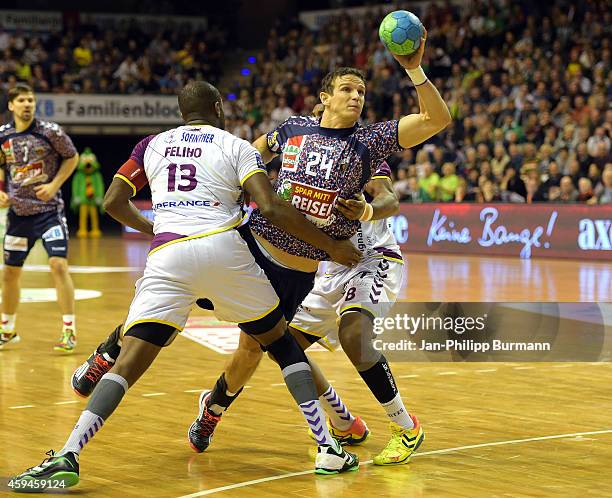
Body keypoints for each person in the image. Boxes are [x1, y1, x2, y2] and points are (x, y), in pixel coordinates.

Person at [72, 29, 451, 466]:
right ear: (322, 98)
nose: (357, 96)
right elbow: (243, 159)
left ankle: (216, 409)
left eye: (362, 90)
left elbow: (425, 137)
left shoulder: (370, 144)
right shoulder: (290, 130)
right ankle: (106, 354)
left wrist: (413, 70)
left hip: (305, 267)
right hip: (251, 242)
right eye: (347, 89)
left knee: (260, 348)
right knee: (179, 286)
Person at [11, 81, 364, 488]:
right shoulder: (236, 146)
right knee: (281, 343)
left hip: (169, 253)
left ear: (182, 113)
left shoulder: (152, 144)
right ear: (217, 106)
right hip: (224, 252)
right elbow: (270, 207)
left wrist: (154, 228)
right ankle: (327, 449)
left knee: (130, 362)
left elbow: (112, 202)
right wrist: (331, 245)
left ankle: (69, 452)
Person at [0, 83, 79, 352]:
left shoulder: (50, 132)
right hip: (18, 215)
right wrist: (1, 191)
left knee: (58, 265)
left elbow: (72, 157)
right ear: (11, 105)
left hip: (49, 214)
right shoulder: (3, 136)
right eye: (21, 100)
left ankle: (69, 330)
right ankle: (8, 329)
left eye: (31, 100)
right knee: (10, 273)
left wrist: (55, 185)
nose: (27, 104)